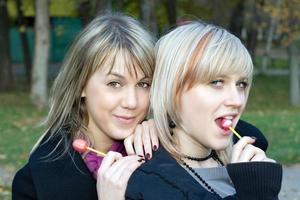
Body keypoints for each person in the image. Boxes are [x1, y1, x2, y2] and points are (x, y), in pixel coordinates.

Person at [125, 21, 282, 200]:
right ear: (172, 90)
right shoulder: (149, 185)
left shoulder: (249, 152)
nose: (237, 100)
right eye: (216, 82)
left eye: (241, 84)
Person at [12, 13, 159, 200]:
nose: (132, 102)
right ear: (81, 85)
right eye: (114, 83)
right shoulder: (32, 184)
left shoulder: (164, 156)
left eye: (143, 84)